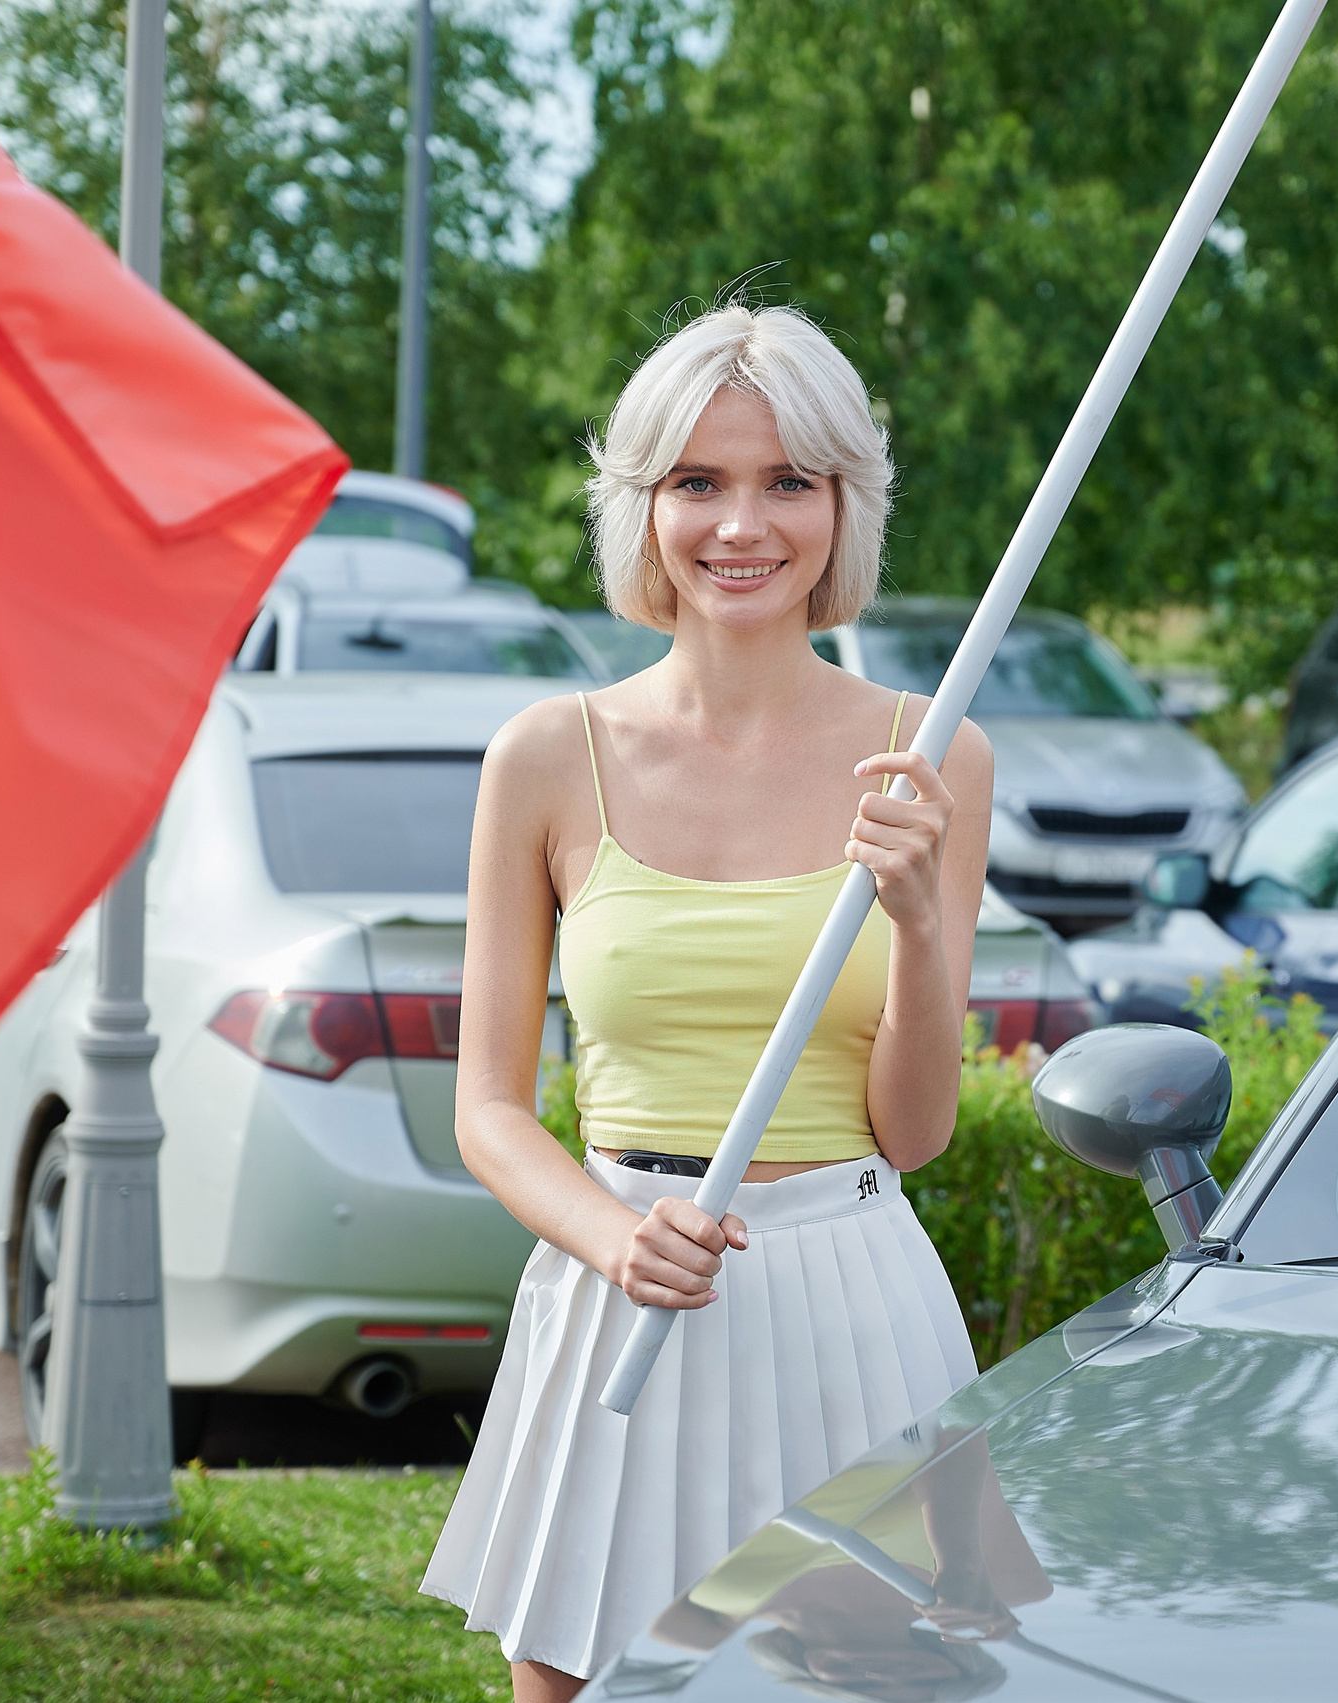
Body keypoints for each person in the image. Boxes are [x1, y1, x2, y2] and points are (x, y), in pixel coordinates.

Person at [421, 301, 991, 1702]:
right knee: (576, 1687)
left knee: (860, 1685)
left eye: (789, 480)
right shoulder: (548, 758)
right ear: (643, 506)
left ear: (845, 504)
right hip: (624, 1292)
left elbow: (915, 1136)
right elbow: (489, 1111)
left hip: (851, 1302)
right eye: (699, 481)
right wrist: (614, 1238)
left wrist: (917, 924)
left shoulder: (935, 755)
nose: (743, 524)